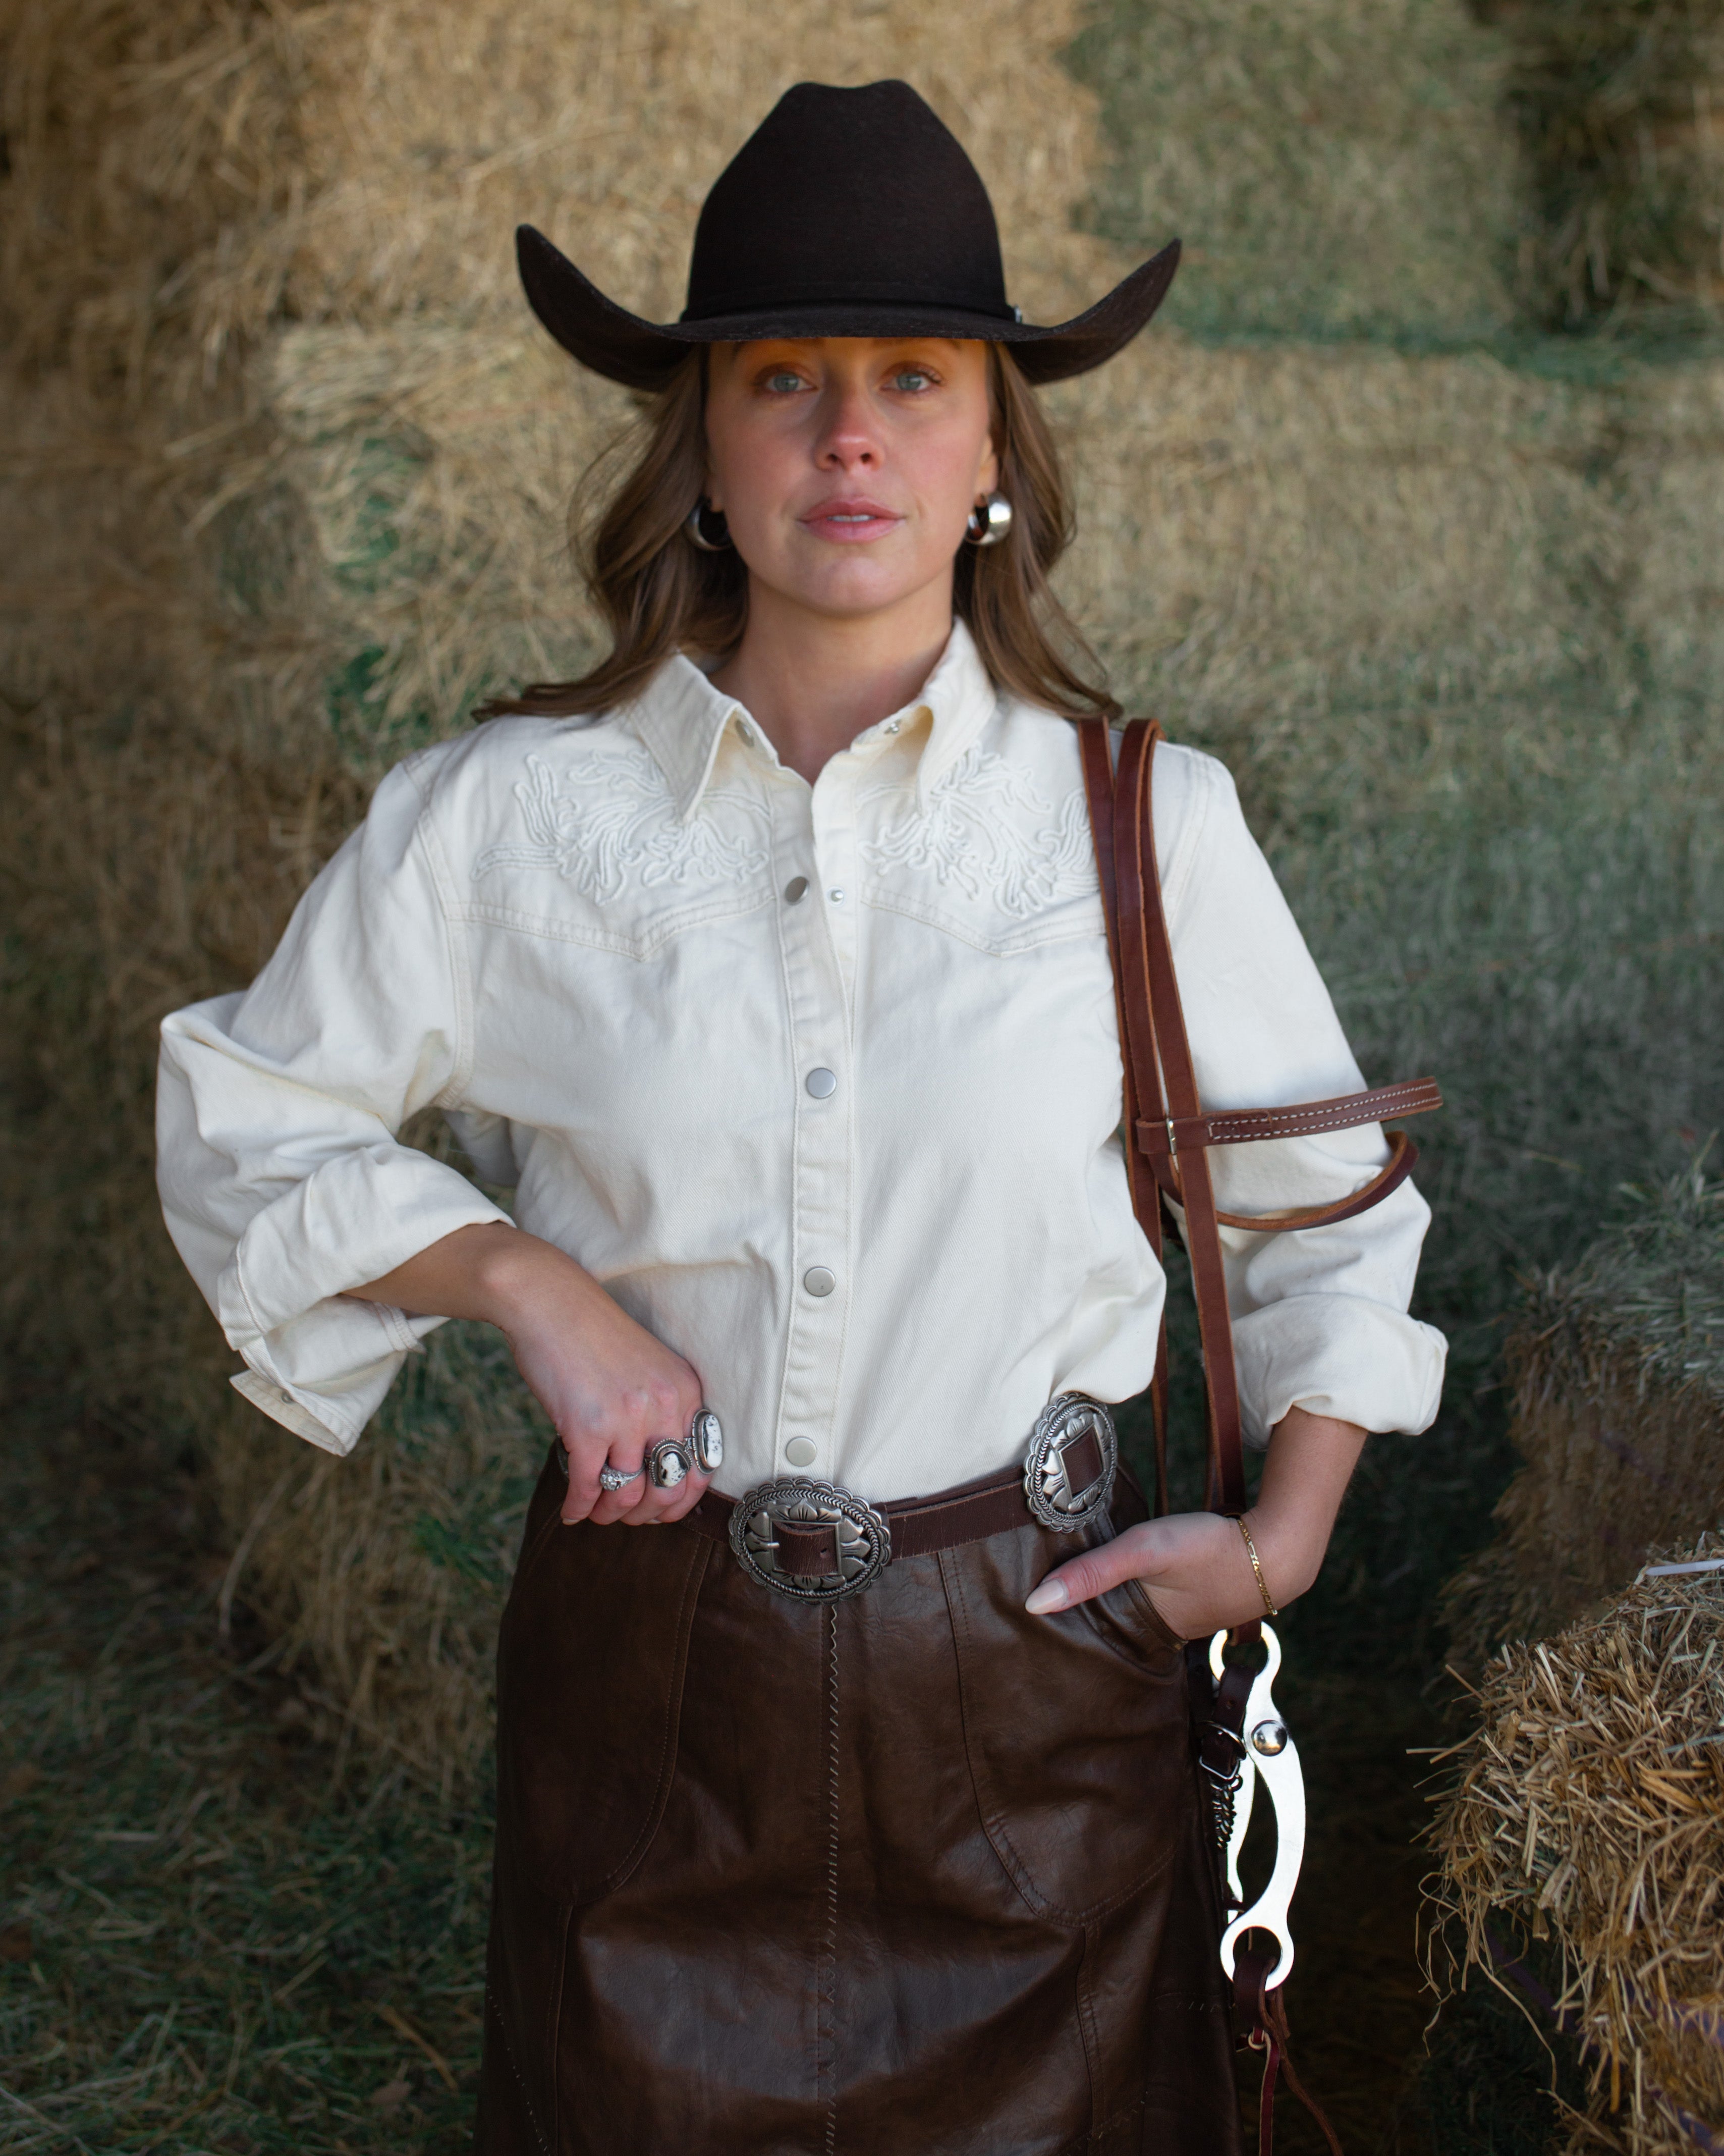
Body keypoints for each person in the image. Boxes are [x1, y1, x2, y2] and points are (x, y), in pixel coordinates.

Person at [156, 80, 1444, 2154]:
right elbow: (244, 1111)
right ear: (701, 449)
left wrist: (1278, 1542)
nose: (851, 435)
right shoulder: (506, 820)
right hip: (657, 1698)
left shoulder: (1146, 825)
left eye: (913, 380)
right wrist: (522, 1280)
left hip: (1040, 1690)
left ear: (994, 451)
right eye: (783, 380)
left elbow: (1330, 1218)